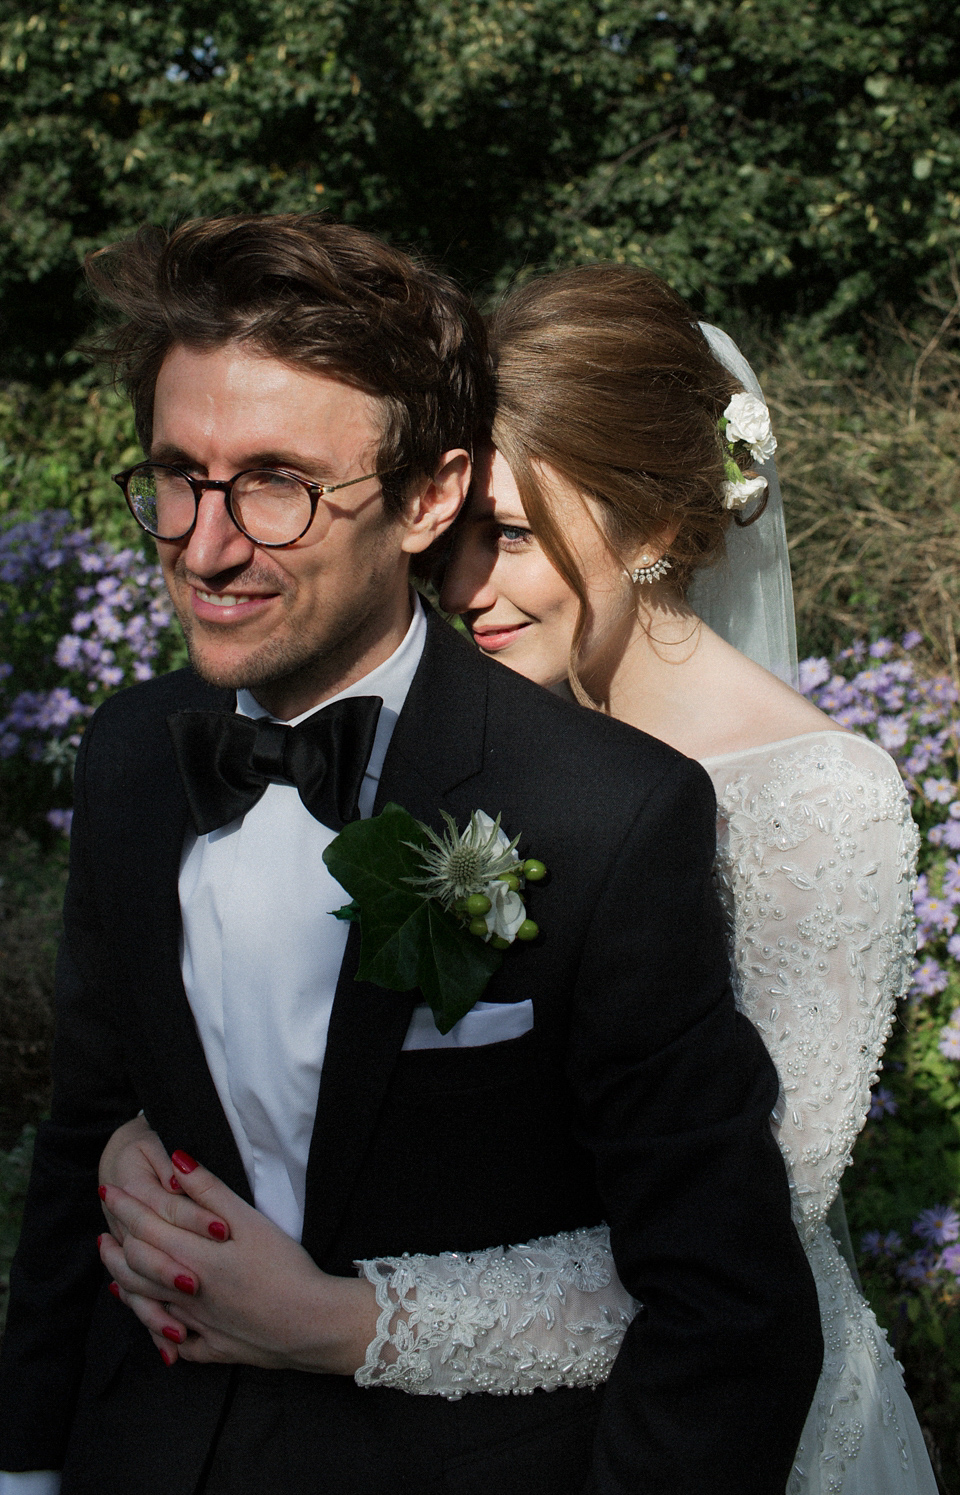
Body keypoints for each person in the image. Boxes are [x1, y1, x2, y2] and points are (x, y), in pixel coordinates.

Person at [0, 220, 822, 1495]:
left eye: (277, 482)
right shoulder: (128, 756)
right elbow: (86, 1140)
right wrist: (27, 1468)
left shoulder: (608, 815)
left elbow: (729, 1309)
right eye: (178, 475)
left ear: (428, 497)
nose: (207, 547)